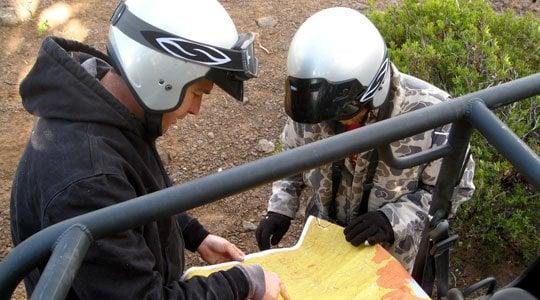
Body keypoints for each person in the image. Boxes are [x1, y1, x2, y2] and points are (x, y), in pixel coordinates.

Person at [10, 0, 285, 299]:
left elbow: (134, 195)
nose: (195, 110)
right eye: (196, 92)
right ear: (162, 77)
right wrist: (243, 284)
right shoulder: (88, 180)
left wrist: (194, 235)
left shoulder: (106, 109)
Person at [255, 7, 475, 272]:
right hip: (323, 249)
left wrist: (392, 220)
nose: (337, 122)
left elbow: (454, 192)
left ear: (375, 89)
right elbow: (290, 162)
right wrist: (280, 208)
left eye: (346, 112)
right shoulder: (316, 106)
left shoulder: (434, 115)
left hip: (394, 261)